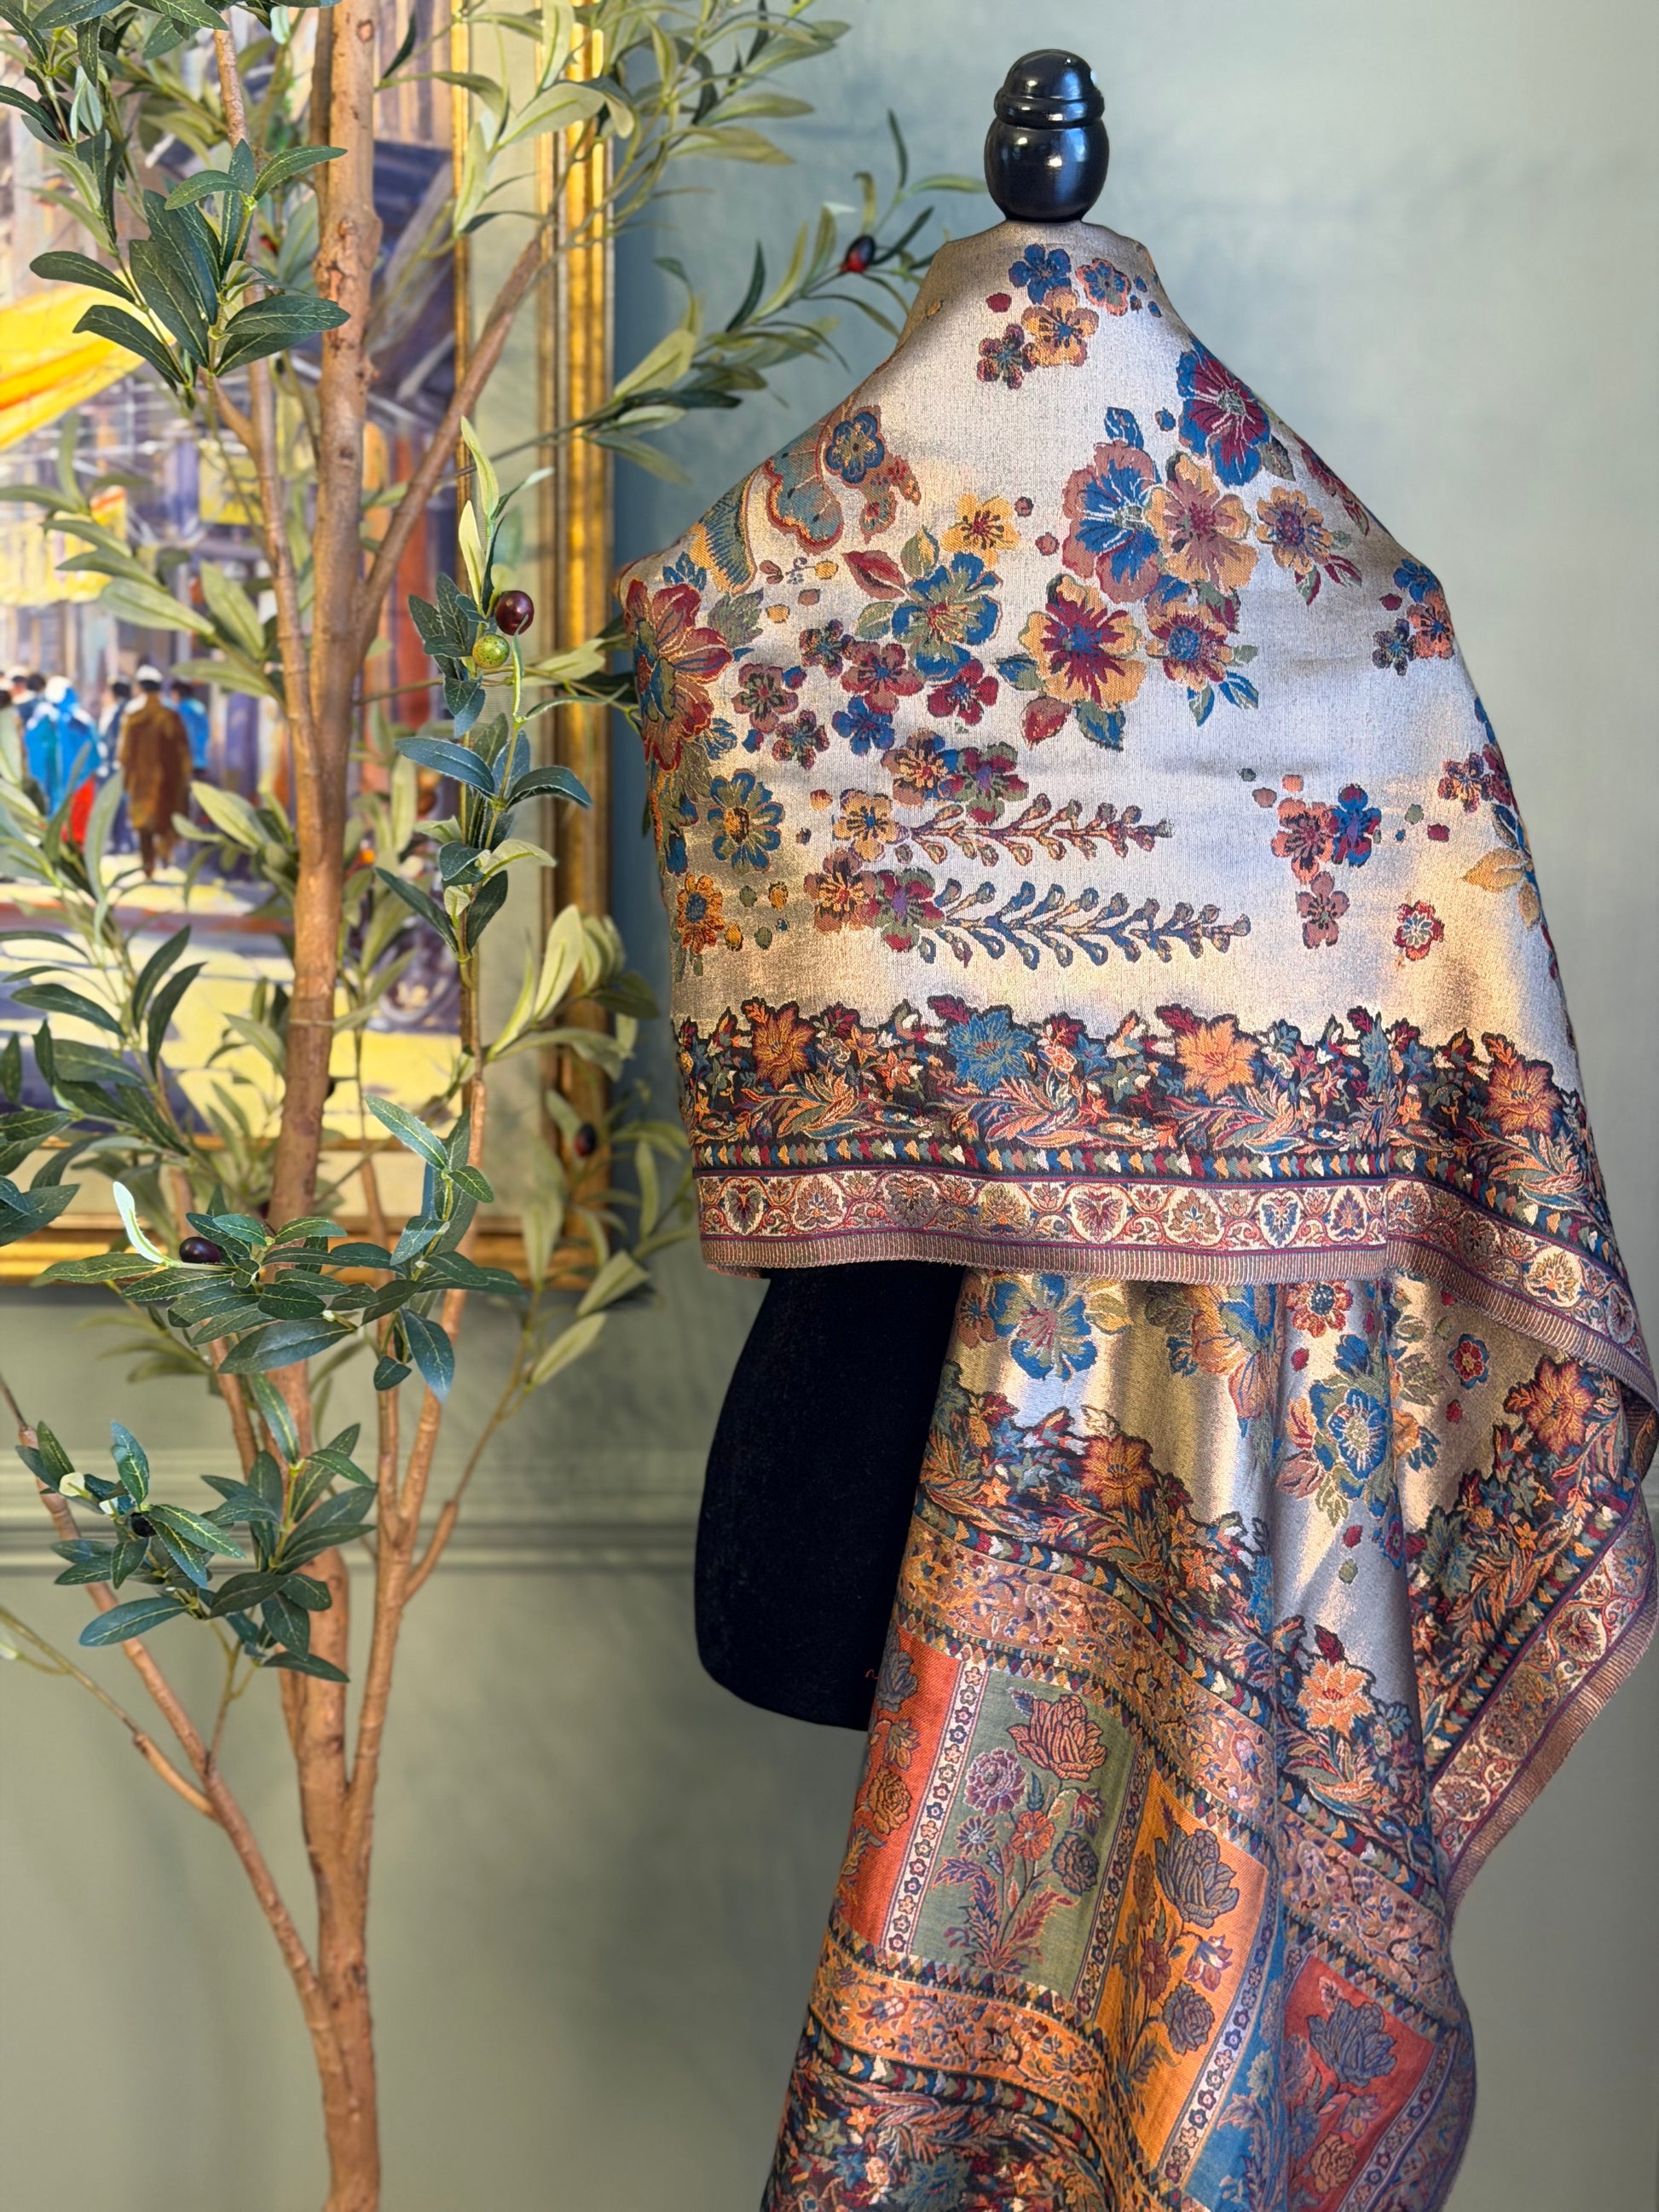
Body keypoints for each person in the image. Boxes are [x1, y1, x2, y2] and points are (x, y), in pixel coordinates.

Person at [117, 664, 192, 877]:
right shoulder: (170, 714)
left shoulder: (133, 714)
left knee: (143, 826)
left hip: (141, 779)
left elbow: (125, 751)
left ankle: (148, 864)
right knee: (164, 818)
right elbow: (182, 750)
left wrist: (125, 775)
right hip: (167, 778)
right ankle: (164, 850)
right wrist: (185, 775)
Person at [167, 675, 211, 773]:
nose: (171, 697)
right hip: (201, 759)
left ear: (178, 693)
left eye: (172, 693)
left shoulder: (182, 709)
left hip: (186, 760)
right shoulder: (198, 706)